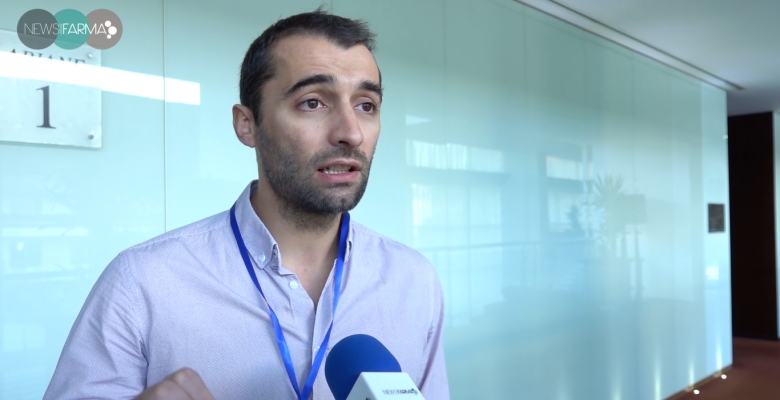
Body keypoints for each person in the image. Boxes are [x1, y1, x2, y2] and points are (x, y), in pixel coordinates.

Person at [43, 9, 449, 400]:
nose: (351, 133)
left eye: (366, 105)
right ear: (247, 124)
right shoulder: (142, 283)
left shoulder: (414, 281)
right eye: (313, 102)